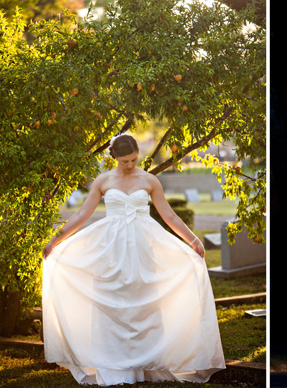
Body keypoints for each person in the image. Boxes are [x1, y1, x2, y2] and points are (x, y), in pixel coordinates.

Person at [42, 134, 225, 386]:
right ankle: (112, 364)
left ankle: (150, 363)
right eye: (125, 160)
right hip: (111, 250)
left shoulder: (149, 180)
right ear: (114, 157)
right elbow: (82, 214)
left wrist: (193, 240)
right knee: (112, 302)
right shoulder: (103, 181)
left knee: (145, 303)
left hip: (143, 248)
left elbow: (169, 215)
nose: (130, 164)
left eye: (134, 159)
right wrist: (55, 240)